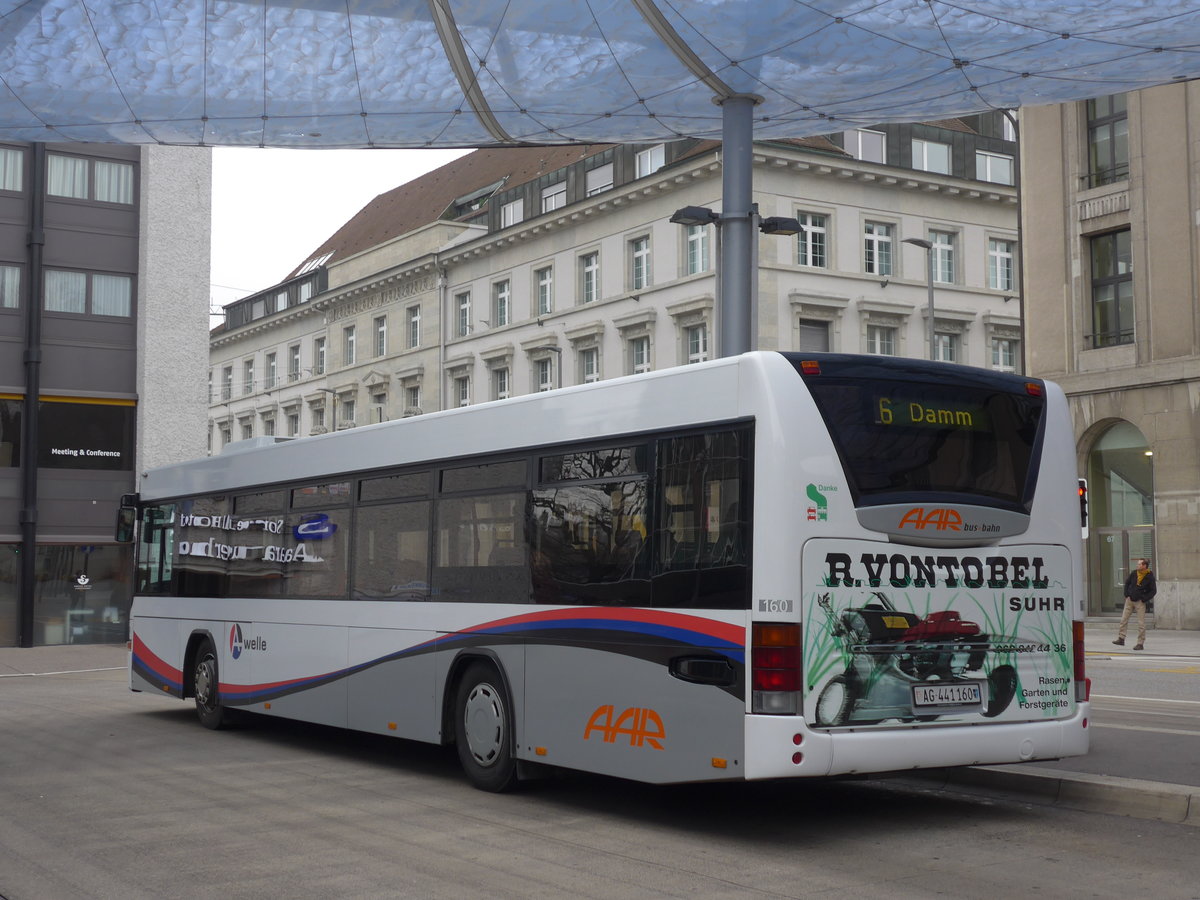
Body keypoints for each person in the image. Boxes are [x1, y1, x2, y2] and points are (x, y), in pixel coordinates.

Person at [1113, 558, 1157, 650]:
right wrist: (1126, 594)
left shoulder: (1149, 577)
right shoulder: (1134, 573)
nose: (1137, 566)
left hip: (1140, 602)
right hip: (1130, 600)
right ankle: (1121, 638)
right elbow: (1127, 583)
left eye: (1139, 564)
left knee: (1141, 623)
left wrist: (1144, 598)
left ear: (1144, 566)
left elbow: (1153, 591)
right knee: (1123, 619)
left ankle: (1140, 643)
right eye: (1137, 564)